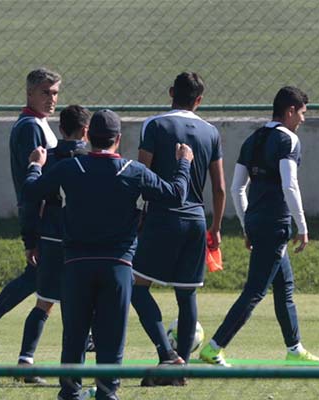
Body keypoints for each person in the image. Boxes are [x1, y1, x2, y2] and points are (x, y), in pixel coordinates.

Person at [22, 109, 193, 400]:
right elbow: (177, 194)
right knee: (112, 339)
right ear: (118, 139)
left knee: (74, 336)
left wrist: (35, 166)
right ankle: (107, 393)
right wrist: (183, 163)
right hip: (118, 266)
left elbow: (31, 192)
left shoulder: (72, 168)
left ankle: (70, 393)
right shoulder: (132, 170)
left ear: (88, 136)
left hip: (76, 265)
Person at [199, 86, 319, 367]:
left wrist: (248, 226)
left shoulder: (253, 139)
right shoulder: (289, 140)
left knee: (285, 287)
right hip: (275, 223)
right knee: (255, 290)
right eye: (302, 113)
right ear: (290, 111)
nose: (303, 120)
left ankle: (295, 349)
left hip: (258, 222)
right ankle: (214, 347)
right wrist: (302, 225)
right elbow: (289, 184)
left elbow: (236, 189)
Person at [131, 72, 225, 385]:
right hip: (196, 220)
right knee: (187, 296)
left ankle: (167, 356)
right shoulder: (210, 132)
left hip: (161, 216)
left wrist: (138, 215)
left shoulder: (154, 125)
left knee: (136, 286)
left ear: (171, 92)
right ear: (199, 100)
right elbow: (220, 187)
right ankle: (180, 372)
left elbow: (142, 174)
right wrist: (216, 227)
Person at [0, 67, 62, 354]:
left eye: (55, 93)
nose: (51, 99)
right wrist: (29, 234)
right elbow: (33, 181)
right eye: (45, 92)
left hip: (46, 215)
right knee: (44, 274)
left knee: (41, 276)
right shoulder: (30, 126)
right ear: (30, 93)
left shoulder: (38, 123)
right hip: (43, 215)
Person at [15, 105, 91, 383]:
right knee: (81, 305)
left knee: (44, 302)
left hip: (50, 238)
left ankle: (25, 361)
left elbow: (32, 200)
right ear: (86, 130)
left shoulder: (50, 158)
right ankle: (74, 369)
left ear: (60, 129)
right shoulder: (90, 159)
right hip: (81, 242)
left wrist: (31, 240)